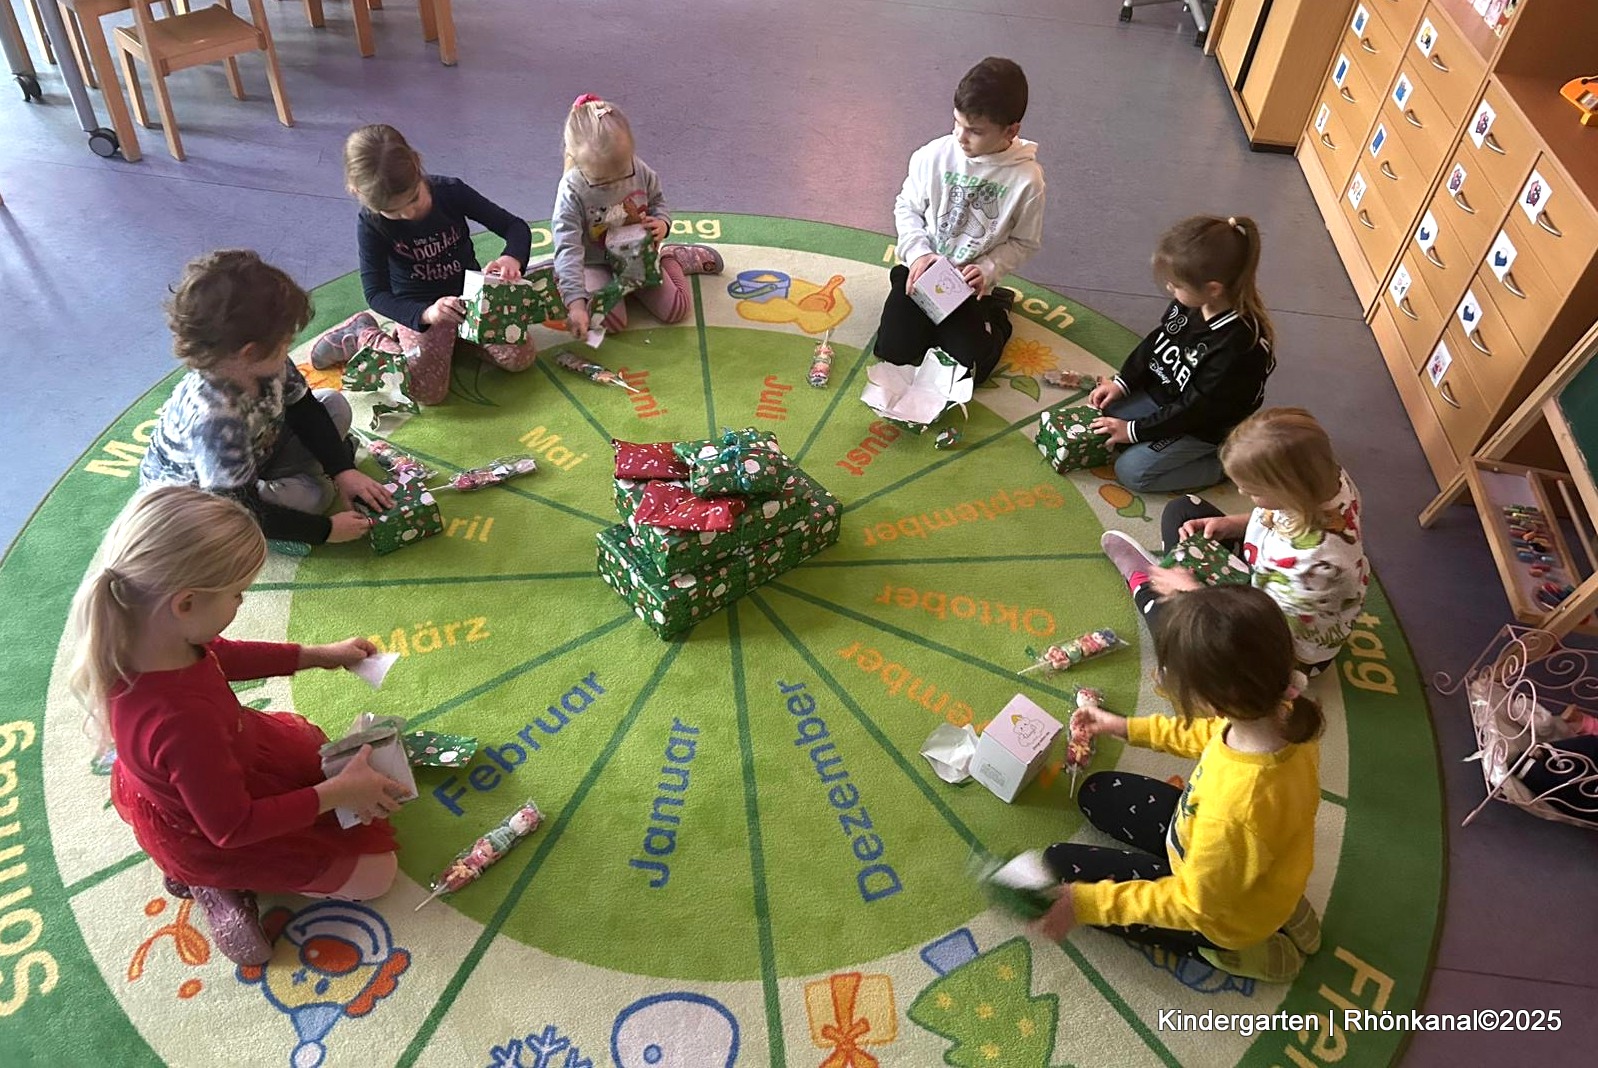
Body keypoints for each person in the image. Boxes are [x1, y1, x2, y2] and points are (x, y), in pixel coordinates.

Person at [66, 488, 407, 964]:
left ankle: (211, 873)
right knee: (377, 874)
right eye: (237, 594)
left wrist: (319, 655)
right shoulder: (180, 724)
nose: (242, 601)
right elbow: (234, 827)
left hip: (219, 767)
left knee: (313, 755)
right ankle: (213, 881)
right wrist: (340, 792)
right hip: (215, 829)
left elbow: (222, 655)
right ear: (185, 603)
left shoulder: (148, 632)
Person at [1035, 585, 1323, 982]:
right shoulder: (1284, 714)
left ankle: (1236, 948)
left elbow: (1192, 905)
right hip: (1251, 864)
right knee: (1096, 792)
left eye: (1172, 677)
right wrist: (1124, 727)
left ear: (1217, 698)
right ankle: (1285, 904)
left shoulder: (1234, 813)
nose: (1163, 679)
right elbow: (1206, 734)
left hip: (1223, 915)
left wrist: (1084, 904)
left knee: (1058, 866)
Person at [139, 249, 392, 549]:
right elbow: (238, 509)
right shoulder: (215, 419)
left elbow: (305, 409)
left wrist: (342, 470)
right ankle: (310, 481)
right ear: (250, 352)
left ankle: (316, 473)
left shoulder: (262, 362)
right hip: (209, 507)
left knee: (334, 405)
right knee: (312, 499)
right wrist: (326, 531)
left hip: (257, 457)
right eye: (285, 342)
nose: (288, 348)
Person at [1101, 407, 1368, 675]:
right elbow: (1279, 517)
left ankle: (1144, 585)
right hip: (1266, 581)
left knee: (1186, 640)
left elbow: (1251, 630)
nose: (1240, 492)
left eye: (1252, 491)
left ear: (1288, 490)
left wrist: (1191, 592)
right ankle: (1172, 573)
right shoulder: (1329, 480)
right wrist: (1233, 525)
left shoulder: (1311, 566)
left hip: (1277, 650)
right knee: (1182, 511)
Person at [874, 56, 1045, 384]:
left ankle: (997, 311)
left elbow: (1025, 242)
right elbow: (907, 207)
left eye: (975, 131)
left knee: (968, 371)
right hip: (923, 272)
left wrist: (988, 270)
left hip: (969, 288)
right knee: (892, 351)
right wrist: (918, 254)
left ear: (1011, 130)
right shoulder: (933, 155)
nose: (961, 136)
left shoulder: (1027, 180)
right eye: (957, 122)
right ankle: (907, 287)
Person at [345, 123, 538, 405]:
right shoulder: (370, 223)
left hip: (470, 298)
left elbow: (515, 227)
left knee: (521, 358)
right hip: (420, 308)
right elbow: (376, 293)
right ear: (357, 193)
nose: (408, 213)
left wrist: (512, 258)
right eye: (392, 212)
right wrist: (426, 314)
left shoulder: (450, 192)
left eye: (414, 199)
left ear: (418, 164)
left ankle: (451, 343)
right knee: (427, 393)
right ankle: (365, 333)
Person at [1087, 215, 1275, 492]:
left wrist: (1133, 430)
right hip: (1168, 396)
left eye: (1177, 285)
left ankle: (1225, 464)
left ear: (1213, 289)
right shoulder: (1193, 302)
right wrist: (1122, 382)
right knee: (1104, 415)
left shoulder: (1238, 347)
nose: (1170, 289)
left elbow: (1194, 410)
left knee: (1132, 470)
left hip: (1202, 426)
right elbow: (1157, 341)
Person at [552, 94, 723, 340]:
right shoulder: (571, 190)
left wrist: (662, 224)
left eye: (622, 172)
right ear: (577, 159)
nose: (613, 183)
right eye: (601, 180)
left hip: (638, 257)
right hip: (594, 263)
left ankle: (672, 258)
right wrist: (576, 303)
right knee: (608, 322)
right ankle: (565, 280)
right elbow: (568, 247)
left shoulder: (638, 168)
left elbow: (657, 201)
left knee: (676, 309)